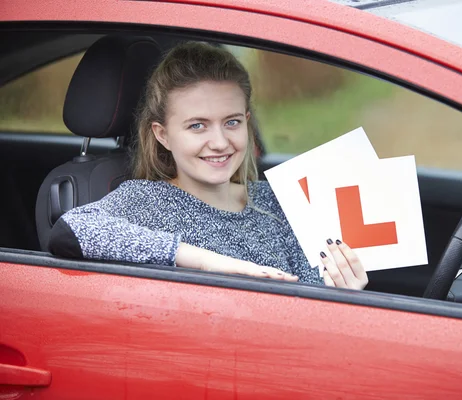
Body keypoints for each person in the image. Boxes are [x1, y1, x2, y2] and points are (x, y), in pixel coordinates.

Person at [49, 42, 368, 290]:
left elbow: (308, 303)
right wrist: (205, 262)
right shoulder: (148, 201)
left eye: (230, 122)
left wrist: (344, 293)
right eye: (197, 126)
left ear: (247, 123)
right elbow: (71, 231)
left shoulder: (276, 199)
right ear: (163, 135)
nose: (219, 142)